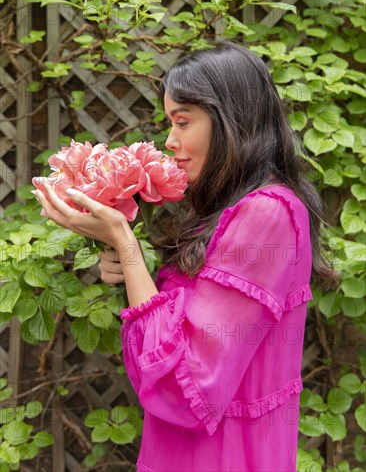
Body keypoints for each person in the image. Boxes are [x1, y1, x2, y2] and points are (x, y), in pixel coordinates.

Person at [35, 42, 338, 471]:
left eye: (183, 122)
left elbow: (189, 387)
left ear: (230, 119)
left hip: (222, 455)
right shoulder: (229, 207)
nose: (171, 140)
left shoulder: (265, 212)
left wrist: (126, 243)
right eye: (168, 122)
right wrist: (129, 264)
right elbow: (181, 331)